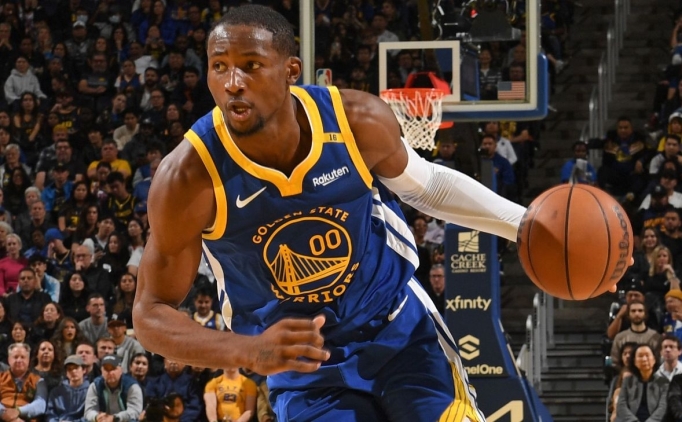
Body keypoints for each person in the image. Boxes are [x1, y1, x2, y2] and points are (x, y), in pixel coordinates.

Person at [132, 5, 572, 422]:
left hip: (400, 331)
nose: (232, 83)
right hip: (304, 368)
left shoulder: (354, 121)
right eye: (219, 66)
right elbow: (150, 314)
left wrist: (525, 224)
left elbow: (429, 186)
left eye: (251, 65)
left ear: (290, 70)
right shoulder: (187, 177)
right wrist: (245, 350)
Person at [616, 343, 668, 421]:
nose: (644, 359)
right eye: (640, 356)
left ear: (654, 359)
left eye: (647, 355)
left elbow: (663, 407)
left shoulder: (663, 382)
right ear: (634, 361)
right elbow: (621, 405)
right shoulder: (627, 381)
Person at [84, 354, 143, 422]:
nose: (110, 372)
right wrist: (97, 417)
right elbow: (88, 411)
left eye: (113, 369)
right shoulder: (95, 385)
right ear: (101, 371)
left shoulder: (132, 386)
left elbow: (135, 411)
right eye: (106, 369)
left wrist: (115, 418)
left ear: (121, 370)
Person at [0, 343, 47, 420]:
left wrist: (18, 411)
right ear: (9, 359)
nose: (19, 360)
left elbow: (40, 404)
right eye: (15, 357)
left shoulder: (38, 381)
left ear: (28, 360)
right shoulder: (1, 378)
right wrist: (4, 413)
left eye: (22, 357)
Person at [611, 300, 662, 369]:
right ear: (628, 314)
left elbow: (659, 361)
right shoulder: (620, 337)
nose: (637, 314)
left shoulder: (656, 336)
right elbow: (615, 362)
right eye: (633, 311)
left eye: (640, 311)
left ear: (645, 314)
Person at [45, 354, 90, 422]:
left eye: (76, 368)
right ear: (66, 373)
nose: (73, 371)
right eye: (69, 369)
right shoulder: (56, 392)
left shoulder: (91, 391)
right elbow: (50, 415)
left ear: (84, 370)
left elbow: (90, 415)